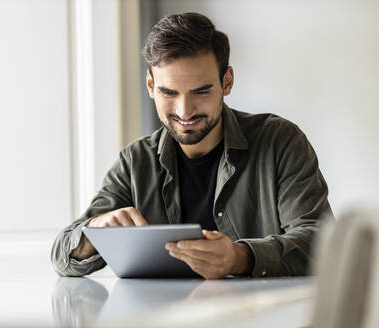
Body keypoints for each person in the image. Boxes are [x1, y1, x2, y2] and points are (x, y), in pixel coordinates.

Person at [51, 12, 334, 279]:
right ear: (151, 86)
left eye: (201, 91)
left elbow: (323, 243)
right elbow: (62, 255)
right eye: (168, 92)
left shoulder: (280, 142)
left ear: (227, 81)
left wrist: (240, 257)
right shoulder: (134, 162)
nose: (185, 111)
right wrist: (94, 231)